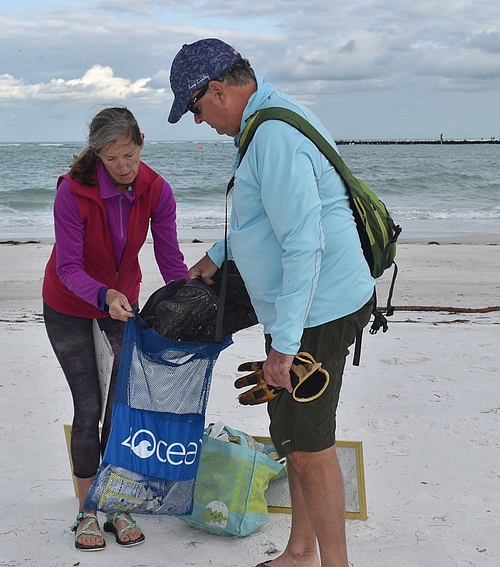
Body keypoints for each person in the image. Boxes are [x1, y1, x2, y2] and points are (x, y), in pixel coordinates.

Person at [168, 39, 375, 567]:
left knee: (309, 447)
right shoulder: (266, 120)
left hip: (317, 309)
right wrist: (217, 255)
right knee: (293, 438)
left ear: (218, 91)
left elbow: (304, 243)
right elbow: (262, 216)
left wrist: (283, 347)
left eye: (195, 109)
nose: (198, 122)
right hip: (302, 307)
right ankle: (300, 551)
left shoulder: (273, 137)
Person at [41, 107, 188, 551]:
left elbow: (170, 257)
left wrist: (186, 302)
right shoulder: (72, 192)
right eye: (111, 159)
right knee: (88, 407)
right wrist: (103, 294)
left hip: (122, 306)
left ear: (141, 143)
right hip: (69, 303)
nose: (123, 167)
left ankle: (116, 501)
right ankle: (87, 510)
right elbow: (68, 266)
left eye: (129, 155)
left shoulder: (157, 189)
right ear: (97, 155)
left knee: (121, 410)